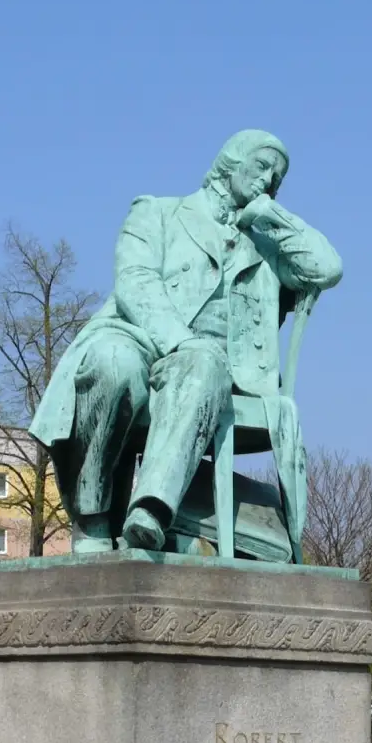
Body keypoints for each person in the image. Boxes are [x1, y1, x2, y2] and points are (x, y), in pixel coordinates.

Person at [29, 130, 342, 556]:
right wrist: (181, 341)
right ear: (231, 162)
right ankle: (92, 517)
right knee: (111, 361)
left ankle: (151, 511)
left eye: (277, 177)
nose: (269, 179)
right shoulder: (157, 212)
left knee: (205, 364)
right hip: (140, 337)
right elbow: (135, 283)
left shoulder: (268, 245)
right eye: (262, 166)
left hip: (215, 370)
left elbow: (327, 269)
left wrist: (271, 215)